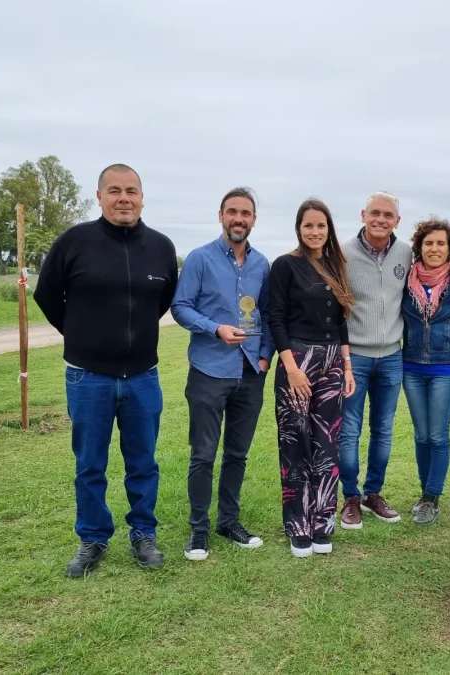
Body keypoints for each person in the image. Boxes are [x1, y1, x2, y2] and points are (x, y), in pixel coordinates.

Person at [34, 163, 177, 578]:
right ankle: (93, 538)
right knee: (90, 464)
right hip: (88, 376)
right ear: (99, 197)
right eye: (114, 190)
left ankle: (144, 534)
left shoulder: (161, 247)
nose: (124, 198)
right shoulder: (75, 242)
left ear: (142, 197)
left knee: (143, 463)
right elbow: (46, 295)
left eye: (131, 191)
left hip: (143, 376)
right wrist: (80, 334)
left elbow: (162, 300)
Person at [171, 187, 275, 561]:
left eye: (245, 213)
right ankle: (199, 529)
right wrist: (215, 328)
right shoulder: (200, 259)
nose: (238, 219)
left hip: (250, 372)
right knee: (203, 454)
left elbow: (269, 313)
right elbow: (181, 307)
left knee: (237, 454)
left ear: (254, 220)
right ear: (221, 216)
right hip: (209, 370)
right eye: (232, 212)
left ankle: (228, 521)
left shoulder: (262, 264)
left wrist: (265, 357)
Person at [269, 199, 356, 558]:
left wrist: (347, 366)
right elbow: (275, 318)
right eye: (308, 225)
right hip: (297, 360)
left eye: (321, 225)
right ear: (299, 228)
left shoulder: (336, 266)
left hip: (333, 362)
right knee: (296, 443)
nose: (315, 232)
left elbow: (341, 321)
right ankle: (298, 526)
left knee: (327, 445)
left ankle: (323, 524)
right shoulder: (285, 265)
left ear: (328, 229)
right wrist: (291, 367)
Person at [338, 191, 413, 529]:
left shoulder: (406, 252)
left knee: (383, 429)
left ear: (397, 220)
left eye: (388, 215)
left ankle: (373, 494)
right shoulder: (343, 253)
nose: (381, 219)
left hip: (392, 357)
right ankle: (351, 497)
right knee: (349, 431)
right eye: (375, 213)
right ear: (363, 215)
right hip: (355, 356)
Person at [401, 219, 450, 525]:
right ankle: (425, 492)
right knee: (422, 435)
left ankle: (431, 497)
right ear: (419, 247)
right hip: (411, 368)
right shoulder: (405, 282)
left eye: (441, 243)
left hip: (444, 369)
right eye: (429, 243)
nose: (434, 248)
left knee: (438, 436)